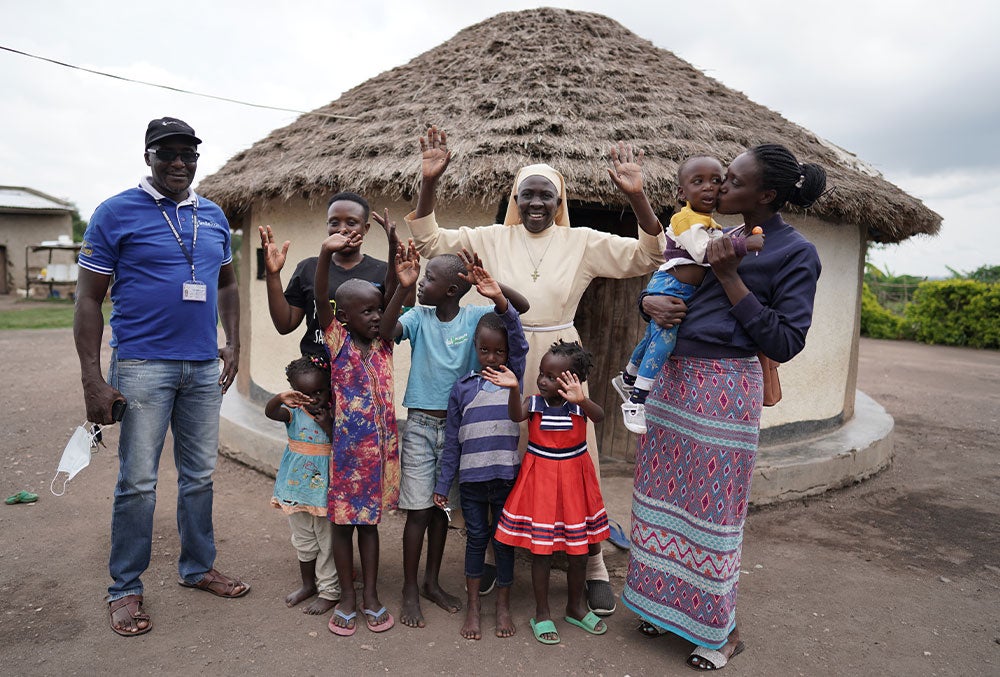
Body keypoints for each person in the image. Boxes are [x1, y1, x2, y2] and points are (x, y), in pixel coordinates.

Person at [404, 126, 666, 614]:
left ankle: (591, 565)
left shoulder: (582, 241)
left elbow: (648, 256)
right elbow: (430, 241)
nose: (537, 202)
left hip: (560, 358)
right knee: (497, 453)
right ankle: (491, 556)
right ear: (516, 199)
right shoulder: (489, 237)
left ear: (560, 200)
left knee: (575, 457)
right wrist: (430, 182)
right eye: (529, 194)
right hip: (502, 357)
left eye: (547, 194)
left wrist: (637, 197)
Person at [622, 143, 826, 671]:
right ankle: (661, 609)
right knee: (660, 496)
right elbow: (673, 282)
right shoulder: (715, 235)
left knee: (713, 511)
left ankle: (720, 632)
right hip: (674, 382)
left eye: (732, 181)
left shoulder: (793, 252)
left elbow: (785, 341)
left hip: (725, 389)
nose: (719, 188)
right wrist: (650, 302)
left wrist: (731, 275)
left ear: (767, 195)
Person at [74, 116, 247, 638]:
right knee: (139, 482)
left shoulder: (213, 215)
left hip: (200, 368)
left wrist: (233, 342)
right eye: (167, 153)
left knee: (199, 476)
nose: (179, 163)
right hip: (142, 365)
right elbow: (87, 299)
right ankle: (124, 587)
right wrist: (91, 377)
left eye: (188, 154)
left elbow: (228, 284)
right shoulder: (115, 213)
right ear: (147, 156)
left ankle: (197, 568)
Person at [380, 242, 528, 629]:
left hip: (461, 431)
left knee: (443, 509)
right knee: (418, 510)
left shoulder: (476, 318)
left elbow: (519, 311)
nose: (422, 281)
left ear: (450, 289)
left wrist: (493, 287)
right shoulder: (418, 317)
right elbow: (384, 331)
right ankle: (410, 589)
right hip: (421, 428)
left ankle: (431, 582)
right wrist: (402, 286)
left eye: (428, 277)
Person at [608, 147, 764, 434]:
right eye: (698, 181)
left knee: (653, 336)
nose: (709, 187)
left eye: (716, 180)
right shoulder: (686, 219)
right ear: (682, 193)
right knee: (665, 342)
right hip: (671, 287)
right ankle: (637, 400)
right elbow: (705, 253)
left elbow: (717, 239)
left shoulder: (708, 222)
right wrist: (745, 244)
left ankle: (629, 377)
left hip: (679, 289)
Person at [484, 340, 609, 645]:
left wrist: (582, 399)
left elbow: (600, 416)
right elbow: (515, 416)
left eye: (552, 377)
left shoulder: (579, 406)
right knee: (541, 551)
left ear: (572, 380)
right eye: (542, 373)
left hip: (574, 483)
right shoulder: (534, 402)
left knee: (579, 551)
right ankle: (542, 612)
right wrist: (514, 389)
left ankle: (575, 607)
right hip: (540, 482)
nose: (543, 380)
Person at [432, 269, 529, 640]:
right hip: (472, 482)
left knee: (503, 542)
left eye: (499, 351)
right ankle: (474, 607)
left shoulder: (512, 379)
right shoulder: (462, 389)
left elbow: (518, 338)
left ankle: (503, 606)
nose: (493, 357)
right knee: (476, 540)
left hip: (506, 479)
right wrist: (444, 484)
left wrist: (500, 301)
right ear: (475, 348)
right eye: (485, 350)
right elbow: (453, 441)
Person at [314, 230, 401, 636]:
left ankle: (370, 597)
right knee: (343, 526)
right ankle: (347, 596)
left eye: (377, 309)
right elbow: (319, 301)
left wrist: (399, 267)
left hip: (380, 456)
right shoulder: (338, 343)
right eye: (365, 311)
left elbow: (396, 292)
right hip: (348, 456)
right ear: (344, 317)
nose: (373, 316)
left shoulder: (384, 343)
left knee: (370, 526)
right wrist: (324, 256)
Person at [258, 192, 400, 357]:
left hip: (363, 372)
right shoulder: (308, 268)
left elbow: (394, 320)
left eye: (351, 222)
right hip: (315, 372)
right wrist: (273, 275)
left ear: (365, 228)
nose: (342, 229)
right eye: (334, 223)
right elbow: (285, 324)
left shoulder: (382, 271)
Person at [266, 355, 339, 615]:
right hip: (296, 490)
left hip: (323, 493)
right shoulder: (293, 414)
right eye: (306, 393)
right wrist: (280, 398)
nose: (314, 398)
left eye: (320, 391)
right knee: (303, 541)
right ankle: (308, 585)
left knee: (327, 543)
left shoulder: (334, 413)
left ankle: (330, 591)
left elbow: (342, 446)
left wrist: (328, 424)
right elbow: (270, 411)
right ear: (294, 391)